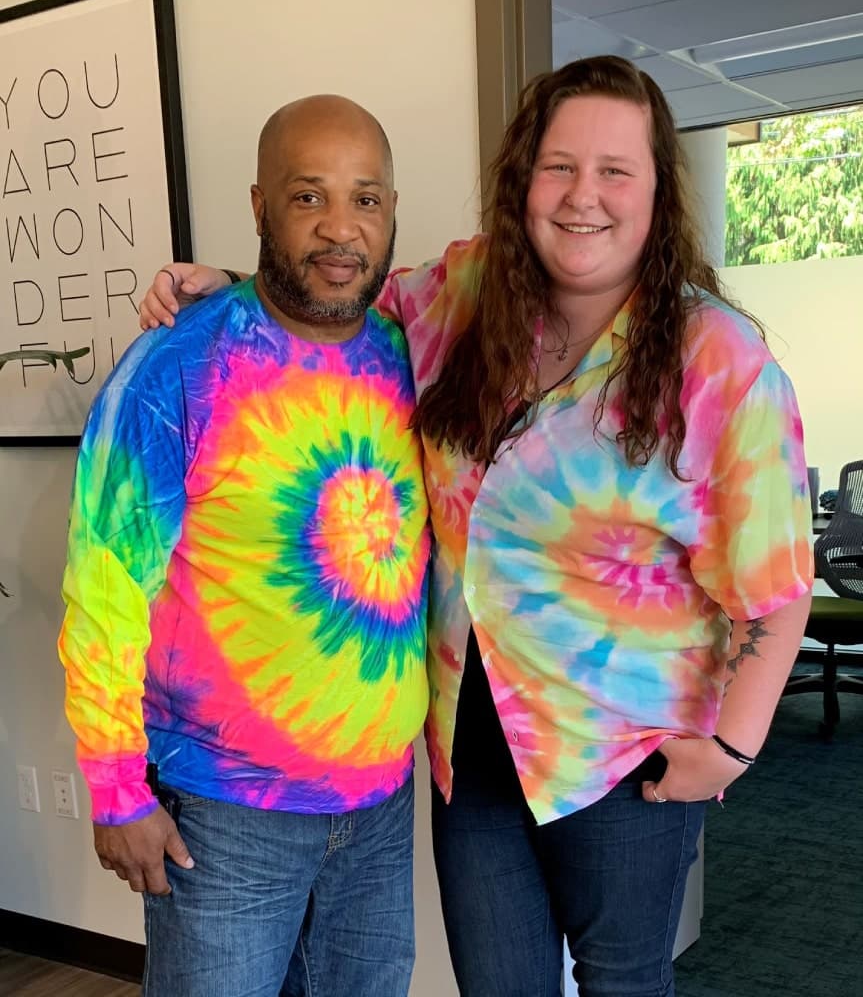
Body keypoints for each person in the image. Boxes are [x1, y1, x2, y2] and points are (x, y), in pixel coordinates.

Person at [140, 56, 813, 997]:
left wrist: (731, 748)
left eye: (616, 171)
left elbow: (778, 589)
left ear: (659, 192)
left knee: (624, 983)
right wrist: (229, 286)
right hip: (472, 752)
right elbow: (349, 294)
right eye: (558, 166)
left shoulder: (720, 363)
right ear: (522, 182)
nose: (584, 197)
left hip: (626, 758)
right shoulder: (465, 294)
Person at [58, 95, 431, 997]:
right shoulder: (177, 369)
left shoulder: (404, 353)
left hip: (379, 811)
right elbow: (103, 590)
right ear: (261, 206)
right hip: (225, 815)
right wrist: (115, 791)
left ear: (390, 216)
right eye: (310, 198)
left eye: (366, 200)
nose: (341, 229)